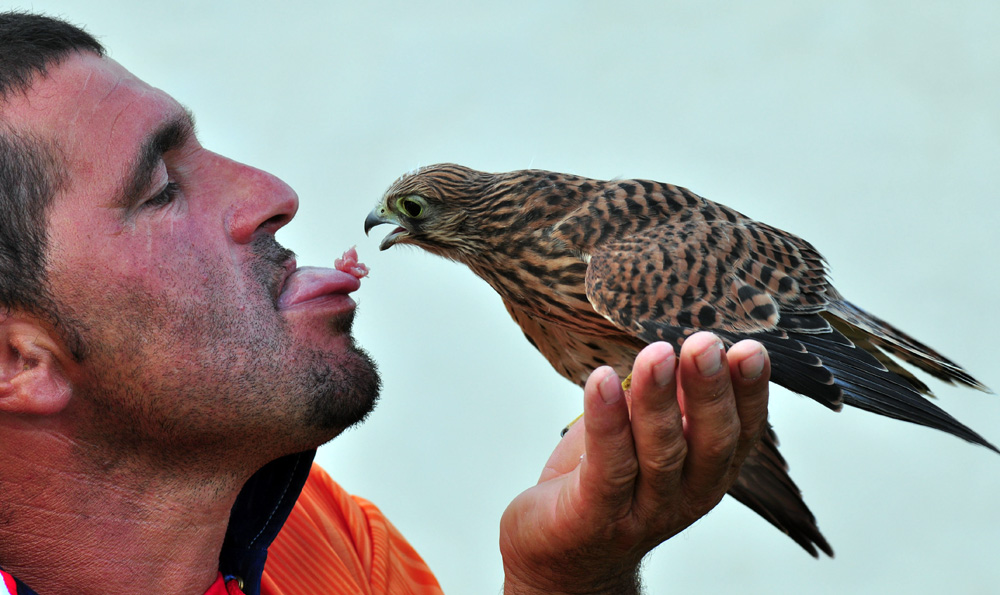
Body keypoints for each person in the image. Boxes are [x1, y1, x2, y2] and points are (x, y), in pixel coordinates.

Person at [0, 12, 771, 595]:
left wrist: (567, 577)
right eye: (164, 187)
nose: (275, 195)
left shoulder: (329, 541)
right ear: (16, 358)